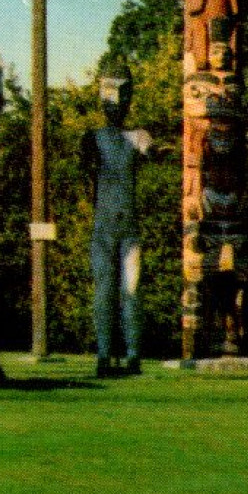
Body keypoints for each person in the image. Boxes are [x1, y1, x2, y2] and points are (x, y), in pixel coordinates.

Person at [81, 75, 152, 378]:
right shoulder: (93, 136)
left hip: (127, 222)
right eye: (109, 102)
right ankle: (104, 353)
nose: (114, 108)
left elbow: (151, 150)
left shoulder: (138, 136)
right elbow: (85, 170)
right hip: (104, 224)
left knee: (131, 290)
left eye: (119, 102)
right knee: (104, 290)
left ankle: (133, 353)